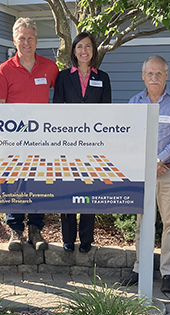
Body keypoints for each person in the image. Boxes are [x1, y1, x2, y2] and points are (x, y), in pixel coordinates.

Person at [119, 55, 170, 293]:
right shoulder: (134, 102)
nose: (154, 78)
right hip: (143, 172)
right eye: (150, 73)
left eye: (159, 73)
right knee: (143, 223)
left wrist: (160, 159)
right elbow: (130, 137)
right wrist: (149, 162)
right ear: (143, 76)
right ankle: (141, 268)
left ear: (167, 75)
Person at [0, 17, 59, 251]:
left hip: (41, 138)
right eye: (22, 38)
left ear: (36, 40)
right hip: (13, 138)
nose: (26, 42)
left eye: (30, 38)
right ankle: (15, 230)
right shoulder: (5, 69)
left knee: (38, 180)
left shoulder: (50, 67)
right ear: (14, 40)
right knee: (13, 180)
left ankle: (36, 229)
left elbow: (61, 100)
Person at [53, 32, 111, 253]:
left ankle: (86, 239)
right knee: (67, 187)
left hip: (93, 143)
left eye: (88, 46)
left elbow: (106, 112)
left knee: (90, 189)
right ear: (74, 51)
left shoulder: (103, 77)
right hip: (67, 141)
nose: (84, 51)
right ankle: (68, 238)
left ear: (93, 50)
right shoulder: (64, 76)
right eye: (79, 47)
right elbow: (58, 108)